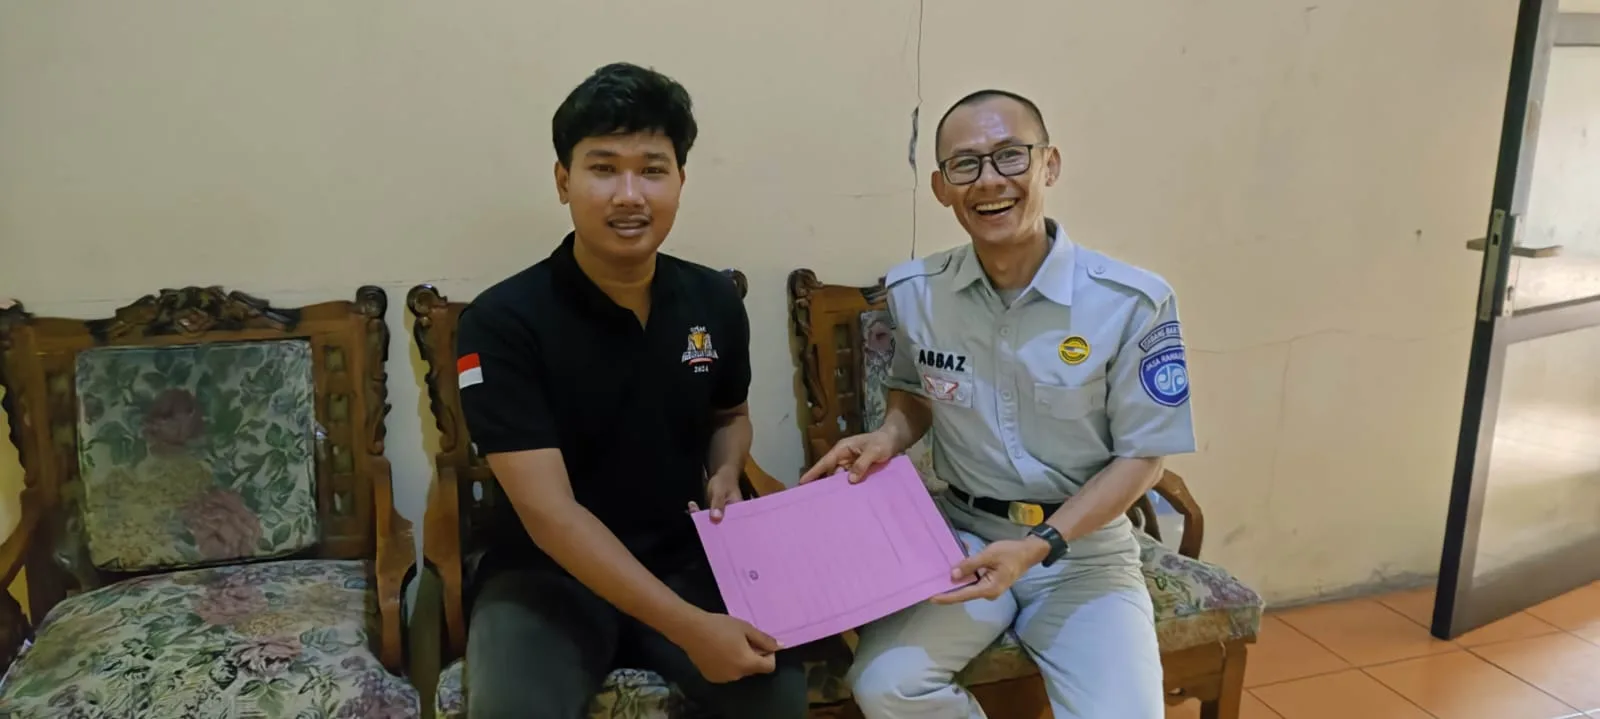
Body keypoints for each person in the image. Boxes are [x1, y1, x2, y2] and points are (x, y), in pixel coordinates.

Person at [800, 89, 1193, 719]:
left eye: (1011, 156)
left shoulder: (1131, 303)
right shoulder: (916, 292)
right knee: (885, 685)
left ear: (1049, 164)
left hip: (1083, 555)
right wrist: (890, 435)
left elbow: (1144, 457)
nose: (988, 181)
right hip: (960, 539)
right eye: (965, 164)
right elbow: (913, 392)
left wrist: (1038, 546)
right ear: (941, 187)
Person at [454, 62, 808, 719]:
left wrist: (726, 470)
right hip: (544, 574)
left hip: (683, 555)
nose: (629, 194)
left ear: (680, 181)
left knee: (776, 695)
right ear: (563, 181)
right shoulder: (500, 323)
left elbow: (729, 413)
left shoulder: (712, 298)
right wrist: (689, 627)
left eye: (652, 170)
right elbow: (552, 516)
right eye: (603, 168)